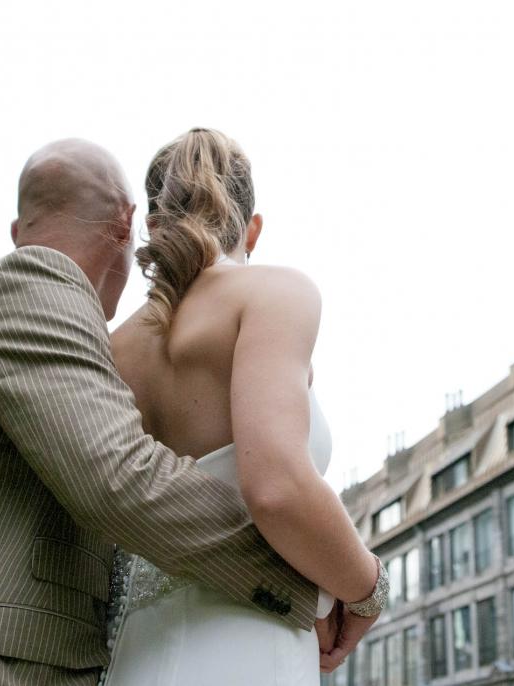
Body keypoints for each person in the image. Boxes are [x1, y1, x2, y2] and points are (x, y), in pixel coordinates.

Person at [0, 139, 332, 685]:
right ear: (126, 228)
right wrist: (322, 575)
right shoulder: (36, 282)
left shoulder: (97, 347)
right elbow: (119, 479)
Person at [103, 128, 384, 684]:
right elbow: (277, 487)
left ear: (155, 227)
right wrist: (367, 589)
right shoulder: (274, 294)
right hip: (248, 648)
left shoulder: (111, 348)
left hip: (133, 656)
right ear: (252, 229)